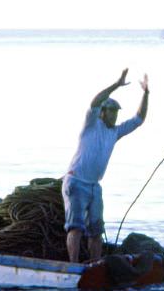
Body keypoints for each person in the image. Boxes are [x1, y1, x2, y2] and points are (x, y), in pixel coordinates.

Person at [63, 68, 149, 263]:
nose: (115, 116)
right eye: (112, 112)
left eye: (117, 113)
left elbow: (139, 119)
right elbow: (95, 101)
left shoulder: (115, 132)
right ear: (102, 113)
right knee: (75, 228)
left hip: (94, 186)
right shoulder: (91, 124)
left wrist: (146, 93)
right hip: (76, 181)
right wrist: (117, 85)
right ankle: (73, 266)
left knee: (96, 231)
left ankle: (94, 264)